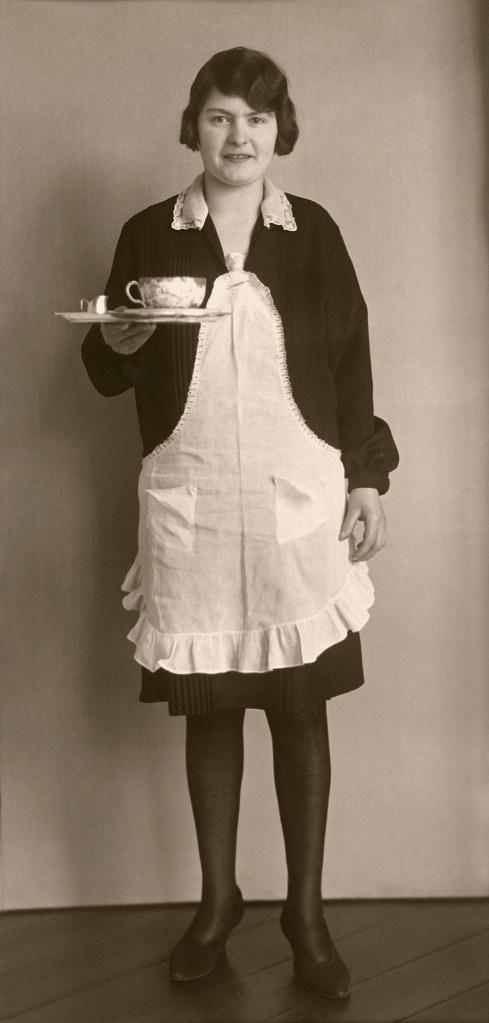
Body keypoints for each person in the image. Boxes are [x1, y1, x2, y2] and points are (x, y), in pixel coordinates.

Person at [82, 47, 399, 1000]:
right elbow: (106, 368)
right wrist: (118, 341)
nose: (238, 136)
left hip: (295, 499)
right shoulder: (149, 234)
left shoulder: (313, 233)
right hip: (195, 507)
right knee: (212, 706)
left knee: (299, 709)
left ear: (278, 131)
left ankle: (306, 916)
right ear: (195, 126)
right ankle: (217, 902)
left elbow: (350, 358)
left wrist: (366, 478)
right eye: (220, 116)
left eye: (256, 119)